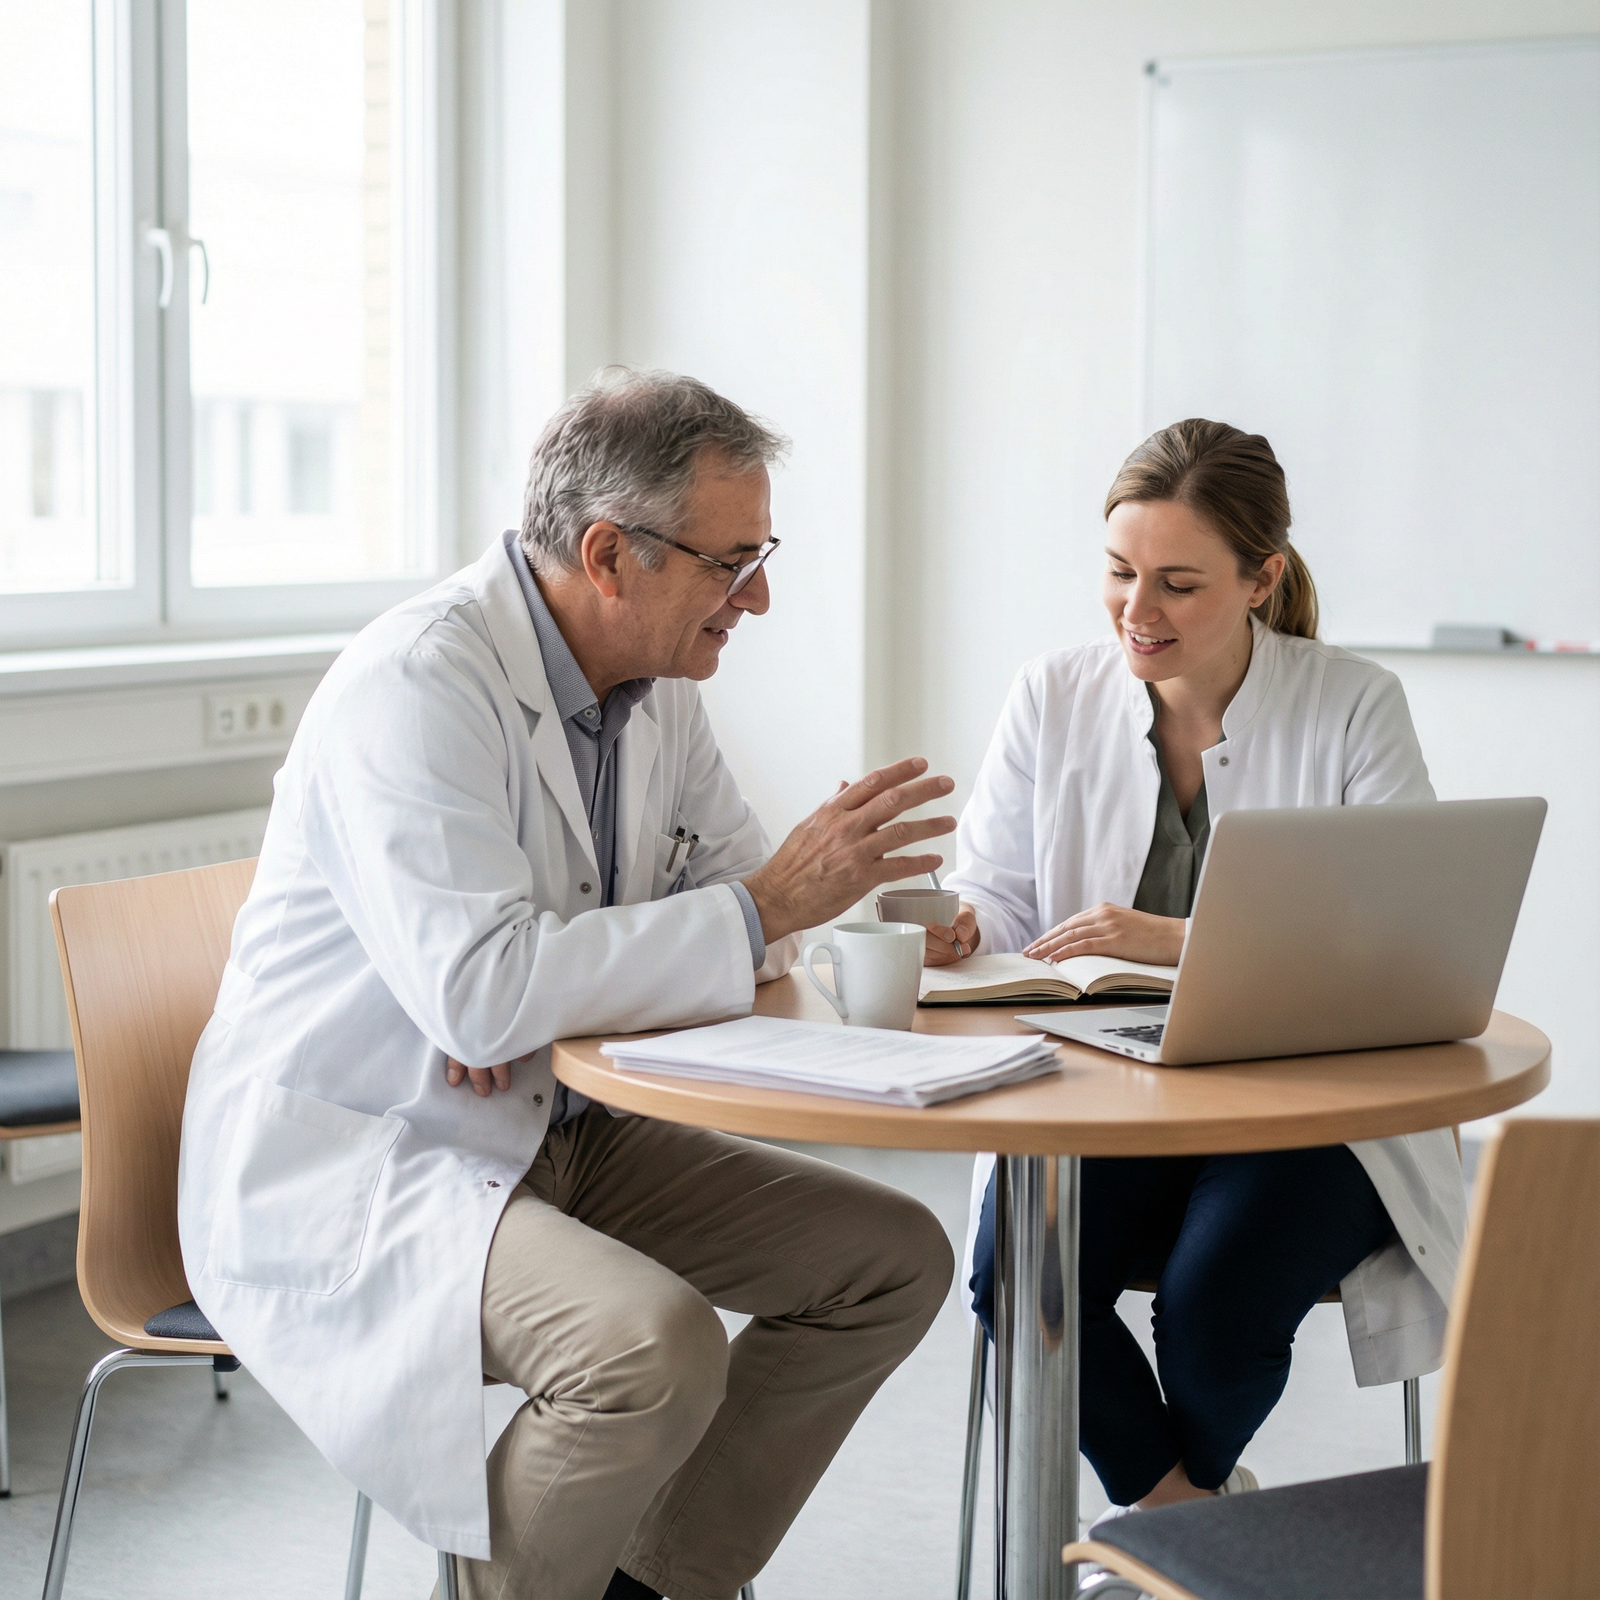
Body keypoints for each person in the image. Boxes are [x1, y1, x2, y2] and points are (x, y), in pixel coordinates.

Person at [177, 369, 957, 1600]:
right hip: (377, 1146)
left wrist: (569, 979)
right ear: (609, 553)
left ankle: (651, 1586)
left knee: (894, 1257)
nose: (758, 596)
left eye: (763, 554)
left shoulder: (658, 689)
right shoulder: (419, 686)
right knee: (648, 1349)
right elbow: (508, 989)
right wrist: (603, 962)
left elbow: (739, 932)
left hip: (556, 1116)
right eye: (730, 560)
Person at [929, 419, 1466, 1520]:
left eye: (1177, 583)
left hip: (1306, 1103)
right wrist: (957, 924)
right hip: (1102, 1083)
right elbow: (1000, 903)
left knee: (1212, 1304)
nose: (1137, 611)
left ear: (1261, 577)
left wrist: (1173, 938)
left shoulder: (1352, 702)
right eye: (1120, 573)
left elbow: (1401, 941)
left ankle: (1172, 1526)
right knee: (1016, 1273)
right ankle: (1190, 1522)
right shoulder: (1052, 692)